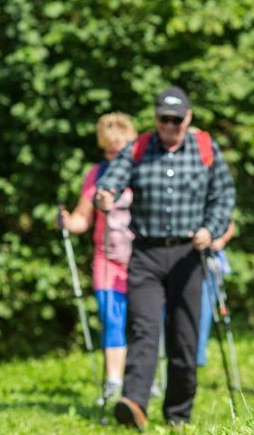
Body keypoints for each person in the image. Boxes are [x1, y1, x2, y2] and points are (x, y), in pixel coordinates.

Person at [96, 85, 236, 431]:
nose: (170, 126)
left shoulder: (205, 148)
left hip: (189, 254)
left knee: (184, 338)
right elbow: (113, 178)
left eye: (176, 120)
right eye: (164, 119)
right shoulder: (140, 147)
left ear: (187, 118)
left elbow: (224, 195)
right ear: (155, 118)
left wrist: (211, 229)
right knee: (144, 330)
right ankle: (134, 405)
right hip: (146, 253)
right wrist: (105, 194)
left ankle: (177, 414)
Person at [60, 113, 138, 405]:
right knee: (110, 315)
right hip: (107, 257)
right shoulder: (97, 173)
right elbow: (83, 217)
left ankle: (145, 377)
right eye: (109, 149)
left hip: (141, 257)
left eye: (120, 148)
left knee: (147, 319)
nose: (114, 155)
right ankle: (113, 380)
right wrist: (69, 223)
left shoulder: (143, 169)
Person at [196, 221, 235, 368]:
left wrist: (222, 240)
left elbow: (230, 222)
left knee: (206, 309)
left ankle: (198, 356)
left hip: (209, 259)